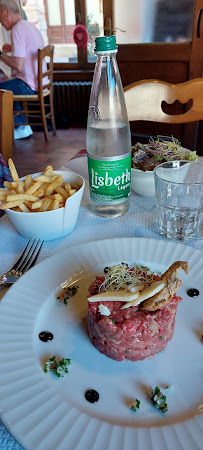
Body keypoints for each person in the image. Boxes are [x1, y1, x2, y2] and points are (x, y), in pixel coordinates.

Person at [0, 0, 47, 139]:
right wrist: (11, 48)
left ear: (6, 12)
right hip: (40, 82)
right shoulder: (29, 27)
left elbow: (19, 66)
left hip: (28, 85)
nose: (0, 22)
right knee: (10, 85)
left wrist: (1, 56)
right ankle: (22, 127)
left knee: (3, 90)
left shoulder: (17, 29)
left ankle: (20, 127)